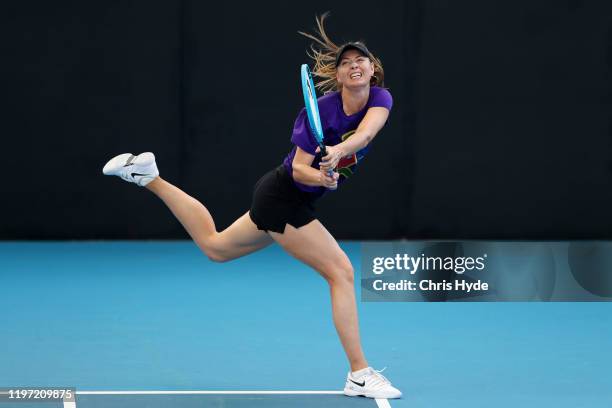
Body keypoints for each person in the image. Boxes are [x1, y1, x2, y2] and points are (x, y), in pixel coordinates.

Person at [102, 13, 401, 399]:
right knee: (341, 272)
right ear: (339, 76)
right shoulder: (320, 113)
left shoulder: (380, 98)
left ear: (372, 69)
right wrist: (322, 176)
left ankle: (147, 176)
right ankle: (359, 373)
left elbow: (368, 132)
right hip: (283, 196)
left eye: (360, 60)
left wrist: (338, 153)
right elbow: (298, 170)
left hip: (287, 199)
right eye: (346, 63)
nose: (354, 65)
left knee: (215, 247)